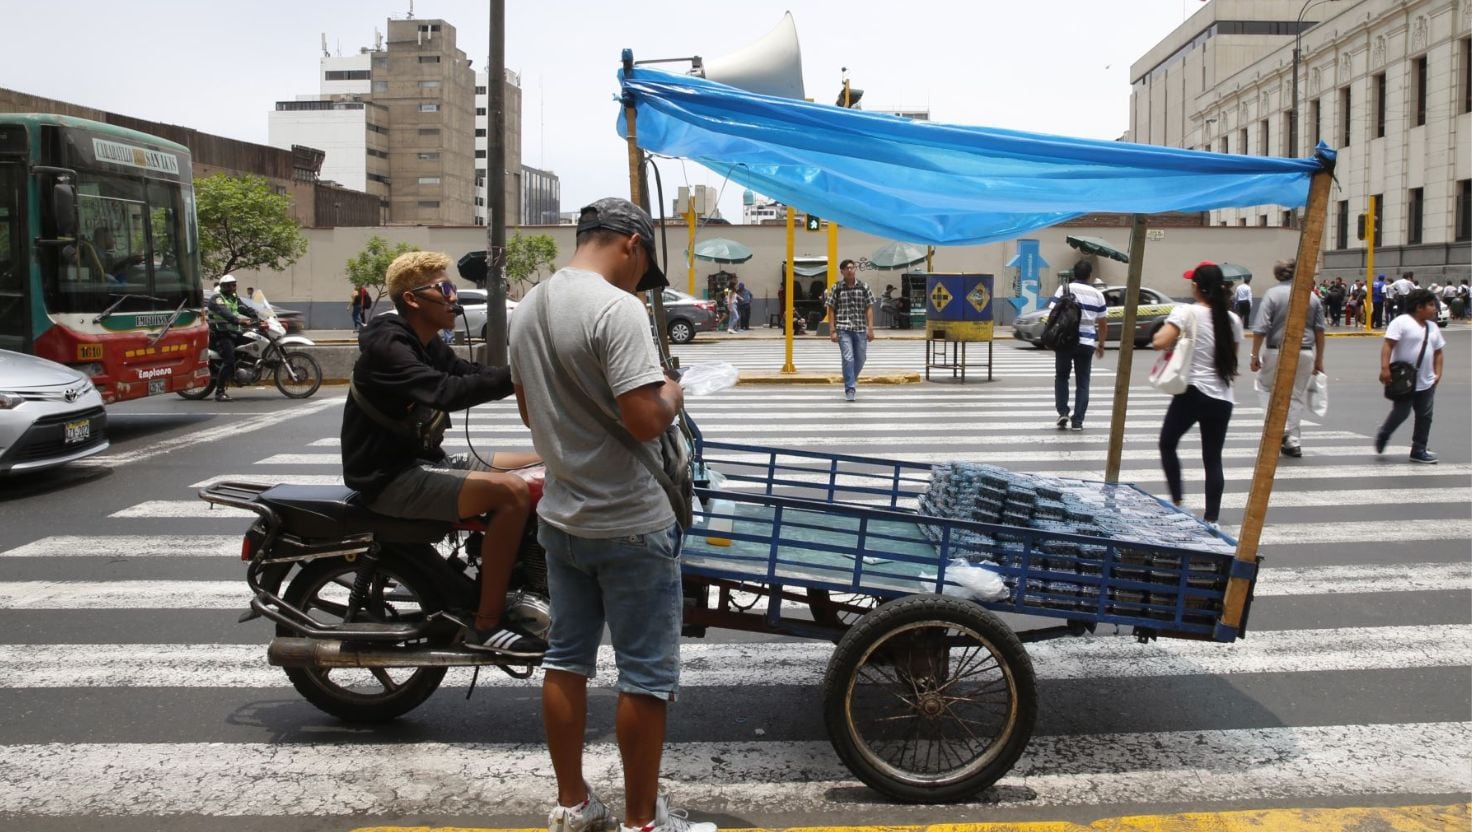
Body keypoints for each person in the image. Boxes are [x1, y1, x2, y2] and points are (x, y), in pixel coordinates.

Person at [510, 198, 715, 832]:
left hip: (564, 518)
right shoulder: (616, 308)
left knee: (567, 659)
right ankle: (641, 823)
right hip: (631, 521)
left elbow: (528, 416)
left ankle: (574, 806)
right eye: (644, 266)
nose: (641, 283)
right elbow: (644, 417)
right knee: (646, 676)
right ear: (631, 244)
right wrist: (673, 390)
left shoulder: (529, 308)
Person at [342, 250, 544, 657]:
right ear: (414, 299)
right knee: (513, 492)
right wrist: (522, 375)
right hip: (390, 478)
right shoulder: (388, 345)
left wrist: (539, 370)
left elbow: (469, 375)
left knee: (543, 463)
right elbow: (445, 392)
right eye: (445, 288)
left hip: (423, 463)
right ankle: (486, 623)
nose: (455, 297)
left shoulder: (425, 342)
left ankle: (523, 575)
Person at [1153, 262, 1242, 527]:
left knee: (1167, 443)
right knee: (1212, 458)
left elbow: (1160, 341)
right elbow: (1231, 361)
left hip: (1193, 392)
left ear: (1196, 287)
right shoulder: (1232, 320)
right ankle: (1212, 518)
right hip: (1222, 397)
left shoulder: (1186, 311)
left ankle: (1179, 503)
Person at [1250, 259, 1326, 458]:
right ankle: (1292, 439)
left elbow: (1260, 328)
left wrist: (1254, 354)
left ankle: (1281, 428)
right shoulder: (1312, 297)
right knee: (1295, 395)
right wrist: (1319, 360)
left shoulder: (1272, 295)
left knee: (1265, 387)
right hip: (1305, 352)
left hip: (1276, 350)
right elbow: (1320, 331)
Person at [1375, 288, 1446, 464]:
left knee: (1425, 416)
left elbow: (1438, 352)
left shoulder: (1433, 327)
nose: (1434, 309)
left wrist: (1438, 374)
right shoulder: (1402, 322)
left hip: (1426, 381)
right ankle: (1385, 433)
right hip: (1404, 379)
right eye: (1430, 305)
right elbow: (1388, 346)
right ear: (1419, 307)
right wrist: (1385, 369)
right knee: (1401, 412)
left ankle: (1419, 449)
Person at [1048, 261, 1108, 431]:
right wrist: (1101, 345)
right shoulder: (1098, 295)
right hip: (1087, 344)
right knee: (1083, 382)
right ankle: (1078, 421)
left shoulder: (1063, 290)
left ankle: (1063, 412)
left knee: (1061, 376)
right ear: (1090, 275)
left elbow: (1052, 312)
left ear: (1074, 274)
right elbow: (1103, 324)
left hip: (1065, 341)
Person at [825, 259, 876, 402]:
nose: (850, 270)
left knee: (861, 358)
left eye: (852, 268)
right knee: (848, 357)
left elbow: (869, 308)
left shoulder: (864, 287)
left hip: (860, 328)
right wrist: (832, 330)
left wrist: (870, 328)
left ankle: (850, 377)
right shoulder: (837, 288)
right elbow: (831, 309)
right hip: (843, 328)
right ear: (842, 271)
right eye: (847, 268)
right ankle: (850, 388)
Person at [205, 274, 261, 402]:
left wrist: (259, 316)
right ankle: (219, 392)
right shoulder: (217, 299)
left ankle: (244, 369)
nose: (232, 287)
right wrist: (239, 321)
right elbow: (226, 313)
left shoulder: (233, 298)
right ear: (223, 286)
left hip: (234, 331)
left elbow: (244, 308)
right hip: (221, 334)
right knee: (229, 360)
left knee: (252, 341)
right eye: (229, 285)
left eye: (234, 284)